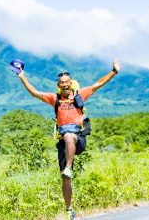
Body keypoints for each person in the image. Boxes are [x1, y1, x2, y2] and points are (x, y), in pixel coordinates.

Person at [16, 59, 122, 220]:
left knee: (69, 136)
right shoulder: (55, 99)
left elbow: (98, 84)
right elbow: (34, 93)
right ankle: (69, 209)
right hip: (63, 143)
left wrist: (113, 71)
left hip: (78, 139)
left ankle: (69, 166)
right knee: (65, 178)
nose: (65, 85)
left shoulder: (81, 95)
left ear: (71, 83)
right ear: (58, 85)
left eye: (67, 82)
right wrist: (22, 76)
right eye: (61, 83)